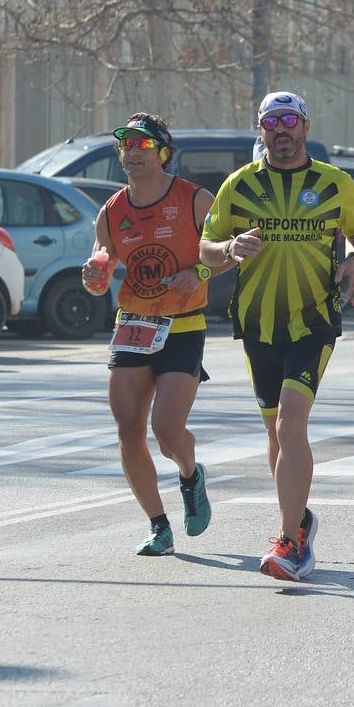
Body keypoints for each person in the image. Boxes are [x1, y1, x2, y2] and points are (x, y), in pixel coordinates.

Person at [199, 90, 354, 582]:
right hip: (258, 323)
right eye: (271, 122)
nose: (281, 130)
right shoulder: (240, 185)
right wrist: (229, 246)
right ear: (261, 130)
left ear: (305, 127)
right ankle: (298, 519)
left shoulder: (334, 183)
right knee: (276, 434)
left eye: (289, 121)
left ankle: (291, 542)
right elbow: (206, 248)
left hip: (314, 321)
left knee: (290, 426)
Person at [82, 113, 227, 557]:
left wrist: (198, 271)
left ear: (163, 152)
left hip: (183, 326)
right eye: (125, 145)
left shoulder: (195, 199)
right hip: (133, 326)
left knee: (167, 430)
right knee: (128, 431)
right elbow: (99, 269)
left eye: (142, 145)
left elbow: (231, 253)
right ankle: (158, 525)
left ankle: (190, 474)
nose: (131, 152)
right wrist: (93, 274)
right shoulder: (111, 211)